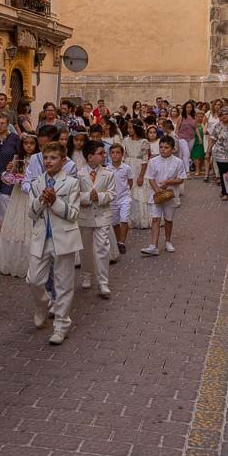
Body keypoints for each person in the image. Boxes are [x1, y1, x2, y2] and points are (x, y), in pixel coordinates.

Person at [26, 141, 82, 346]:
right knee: (33, 279)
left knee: (63, 283)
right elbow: (31, 213)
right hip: (41, 238)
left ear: (63, 160)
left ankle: (61, 325)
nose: (49, 161)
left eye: (53, 158)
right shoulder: (36, 183)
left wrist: (55, 202)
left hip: (64, 238)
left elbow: (74, 213)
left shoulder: (71, 183)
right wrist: (41, 200)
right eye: (46, 158)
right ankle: (42, 305)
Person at [78, 140, 115, 298]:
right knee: (85, 248)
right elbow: (73, 194)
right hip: (84, 216)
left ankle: (103, 282)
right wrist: (86, 197)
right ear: (90, 157)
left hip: (102, 215)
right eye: (101, 153)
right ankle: (87, 274)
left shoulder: (108, 174)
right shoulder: (78, 174)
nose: (104, 155)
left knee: (102, 248)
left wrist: (99, 196)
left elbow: (112, 193)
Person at [0, 133, 40, 277]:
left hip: (32, 193)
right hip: (18, 194)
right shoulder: (17, 158)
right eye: (26, 143)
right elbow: (11, 175)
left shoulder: (38, 159)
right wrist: (11, 169)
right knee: (17, 223)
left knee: (30, 223)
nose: (28, 146)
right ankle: (14, 260)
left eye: (31, 143)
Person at [141, 135, 187, 256]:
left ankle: (168, 241)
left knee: (168, 219)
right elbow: (150, 178)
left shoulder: (178, 162)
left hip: (171, 195)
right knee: (155, 219)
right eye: (161, 147)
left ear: (173, 148)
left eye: (166, 147)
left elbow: (181, 179)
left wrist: (169, 182)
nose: (163, 149)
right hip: (156, 195)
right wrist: (158, 191)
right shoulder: (153, 161)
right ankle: (153, 246)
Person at [123, 124, 152, 231]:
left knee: (139, 192)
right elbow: (124, 155)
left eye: (131, 128)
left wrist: (141, 175)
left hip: (139, 167)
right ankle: (129, 218)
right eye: (128, 128)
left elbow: (145, 159)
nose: (129, 130)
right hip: (128, 166)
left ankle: (142, 219)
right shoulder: (126, 140)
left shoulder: (143, 142)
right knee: (129, 191)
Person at [107, 143, 134, 254]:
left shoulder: (126, 168)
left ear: (122, 154)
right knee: (115, 222)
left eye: (118, 152)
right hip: (112, 199)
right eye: (113, 153)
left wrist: (126, 192)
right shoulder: (107, 169)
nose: (115, 155)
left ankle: (122, 242)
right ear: (109, 154)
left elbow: (130, 182)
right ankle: (118, 241)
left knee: (124, 219)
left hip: (124, 198)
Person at [210, 107, 228, 201]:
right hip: (220, 152)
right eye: (222, 114)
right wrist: (208, 151)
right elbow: (213, 138)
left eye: (226, 114)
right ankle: (224, 192)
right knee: (223, 172)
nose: (224, 116)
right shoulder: (217, 125)